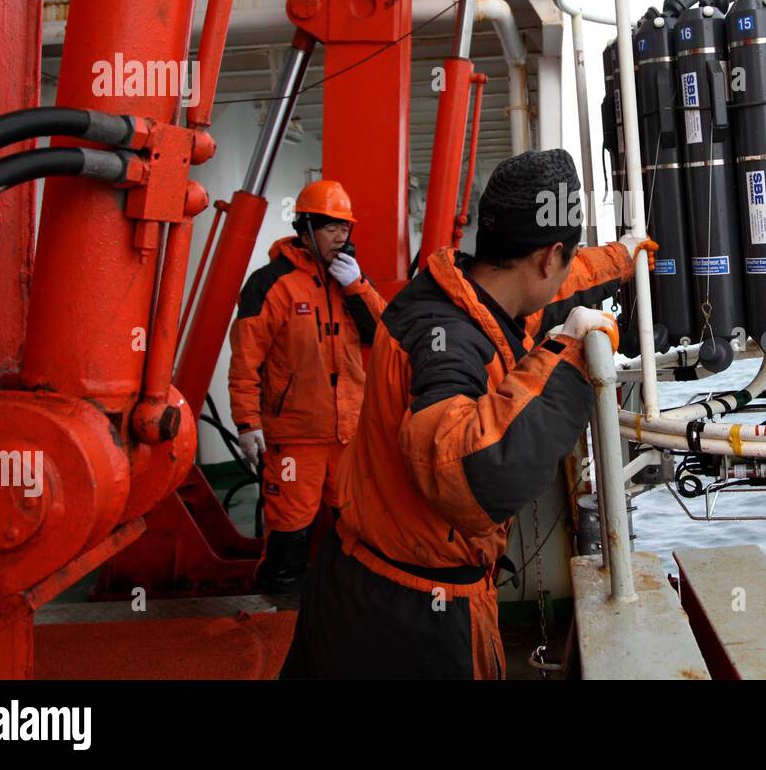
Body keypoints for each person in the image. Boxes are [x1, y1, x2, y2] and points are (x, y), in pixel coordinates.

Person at [280, 148, 656, 679]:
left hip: (353, 580)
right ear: (549, 256)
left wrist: (621, 257)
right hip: (408, 620)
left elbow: (559, 286)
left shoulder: (453, 293)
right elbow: (466, 475)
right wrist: (569, 360)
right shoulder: (453, 342)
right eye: (565, 258)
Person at [228, 179, 386, 592]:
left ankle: (340, 605)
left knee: (352, 521)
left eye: (345, 228)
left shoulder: (348, 279)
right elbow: (246, 360)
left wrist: (358, 285)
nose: (340, 236)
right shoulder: (270, 284)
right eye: (331, 226)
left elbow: (384, 333)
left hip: (346, 434)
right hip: (295, 436)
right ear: (306, 227)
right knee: (290, 527)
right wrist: (248, 424)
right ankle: (280, 611)